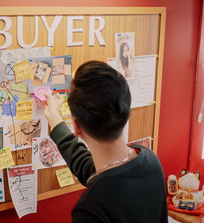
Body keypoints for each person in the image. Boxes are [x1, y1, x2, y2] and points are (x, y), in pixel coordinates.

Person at [43, 61, 168, 222]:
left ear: (76, 125)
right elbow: (88, 167)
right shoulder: (149, 160)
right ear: (124, 110)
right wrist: (56, 121)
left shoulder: (91, 207)